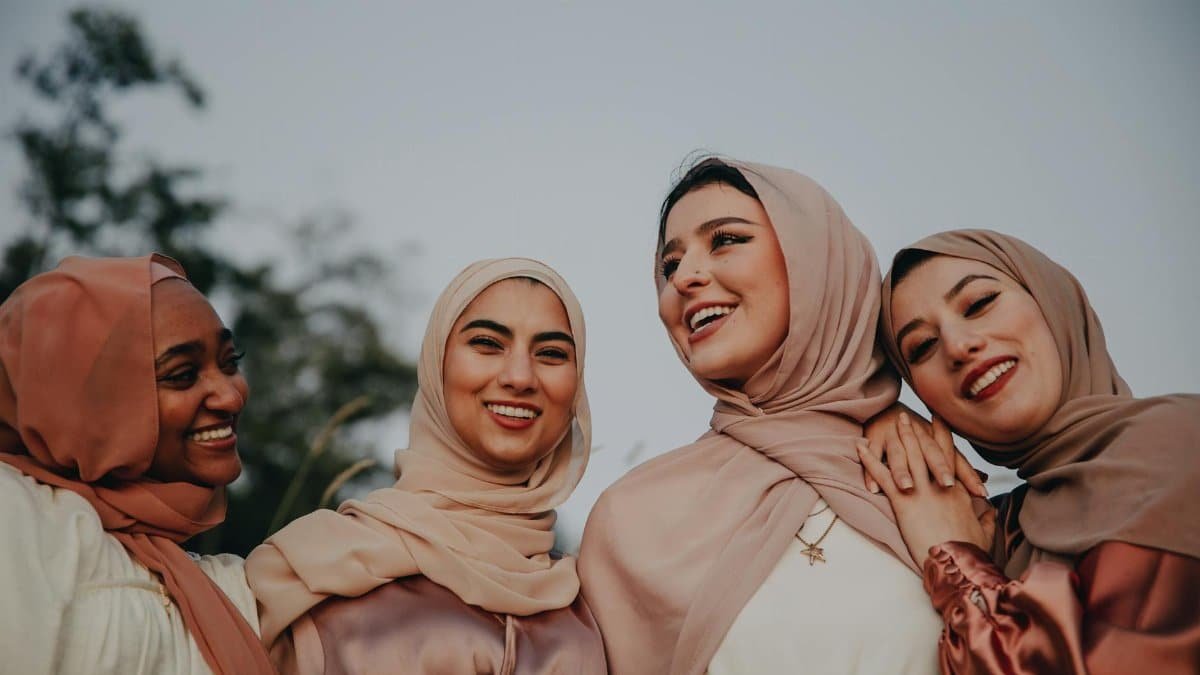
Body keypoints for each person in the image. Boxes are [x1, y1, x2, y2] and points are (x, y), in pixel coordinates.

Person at [578, 158, 983, 675]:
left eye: (725, 239)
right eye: (669, 265)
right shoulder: (630, 521)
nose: (685, 278)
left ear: (816, 261)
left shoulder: (933, 473)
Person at [861, 229, 1200, 674]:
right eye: (922, 347)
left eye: (979, 303)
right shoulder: (999, 527)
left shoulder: (1179, 444)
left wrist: (957, 566)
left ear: (1053, 301)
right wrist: (873, 412)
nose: (959, 346)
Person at [245, 258, 605, 674]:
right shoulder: (310, 564)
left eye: (551, 353)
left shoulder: (590, 593)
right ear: (437, 363)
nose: (520, 377)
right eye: (487, 343)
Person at [0, 254, 274, 674]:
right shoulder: (15, 515)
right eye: (182, 374)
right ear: (86, 398)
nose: (231, 396)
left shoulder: (209, 576)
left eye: (230, 362)